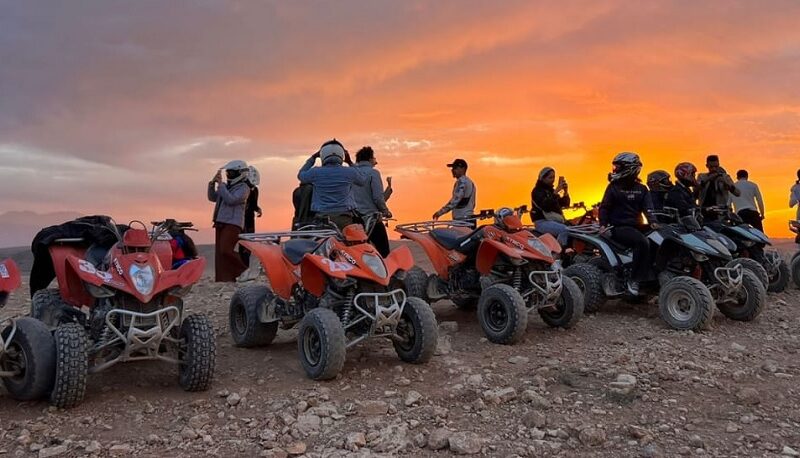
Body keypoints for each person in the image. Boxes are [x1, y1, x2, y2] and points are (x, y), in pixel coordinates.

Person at [599, 152, 656, 296]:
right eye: (615, 167)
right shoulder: (613, 187)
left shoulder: (642, 189)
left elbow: (648, 208)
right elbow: (604, 207)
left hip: (637, 226)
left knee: (659, 239)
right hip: (619, 227)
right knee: (642, 242)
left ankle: (653, 278)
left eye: (618, 167)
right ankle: (634, 280)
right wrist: (603, 224)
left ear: (630, 168)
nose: (615, 170)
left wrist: (653, 222)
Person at [297, 139, 367, 230]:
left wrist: (313, 158)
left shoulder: (315, 172)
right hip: (344, 218)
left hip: (322, 219)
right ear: (342, 155)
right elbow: (362, 180)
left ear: (322, 155)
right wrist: (350, 162)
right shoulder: (349, 172)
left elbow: (301, 175)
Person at [208, 160, 251, 282]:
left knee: (225, 250)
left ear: (240, 173)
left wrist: (221, 185)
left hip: (233, 223)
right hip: (221, 221)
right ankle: (226, 278)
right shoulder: (226, 187)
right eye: (228, 173)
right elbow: (213, 198)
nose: (229, 176)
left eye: (231, 173)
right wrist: (212, 184)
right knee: (220, 254)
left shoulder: (244, 188)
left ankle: (244, 270)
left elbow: (231, 200)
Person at [352, 146, 393, 257]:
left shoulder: (351, 173)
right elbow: (377, 199)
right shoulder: (373, 173)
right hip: (371, 220)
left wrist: (388, 192)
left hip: (353, 220)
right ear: (370, 159)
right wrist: (386, 211)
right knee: (384, 252)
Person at [531, 167, 570, 243]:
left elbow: (565, 204)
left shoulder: (550, 191)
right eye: (550, 177)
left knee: (574, 228)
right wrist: (555, 192)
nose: (553, 180)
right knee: (565, 230)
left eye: (554, 177)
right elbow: (546, 206)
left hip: (554, 221)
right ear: (543, 178)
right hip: (542, 221)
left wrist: (565, 192)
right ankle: (559, 251)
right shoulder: (537, 191)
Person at [432, 159, 476, 226]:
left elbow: (455, 200)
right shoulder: (470, 183)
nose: (452, 170)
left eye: (455, 168)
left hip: (462, 220)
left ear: (463, 169)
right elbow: (473, 204)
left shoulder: (462, 182)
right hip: (470, 219)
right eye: (452, 168)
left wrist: (440, 212)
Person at [698, 154, 740, 221]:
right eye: (711, 167)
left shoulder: (725, 177)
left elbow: (737, 193)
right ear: (707, 166)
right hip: (704, 212)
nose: (714, 169)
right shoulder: (702, 176)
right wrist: (708, 179)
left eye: (716, 167)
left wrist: (726, 183)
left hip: (721, 213)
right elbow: (696, 190)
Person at [239, 166, 263, 265]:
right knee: (243, 243)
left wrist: (258, 209)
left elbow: (253, 204)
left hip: (249, 219)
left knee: (249, 243)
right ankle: (242, 265)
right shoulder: (242, 188)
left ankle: (246, 265)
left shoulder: (254, 190)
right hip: (241, 219)